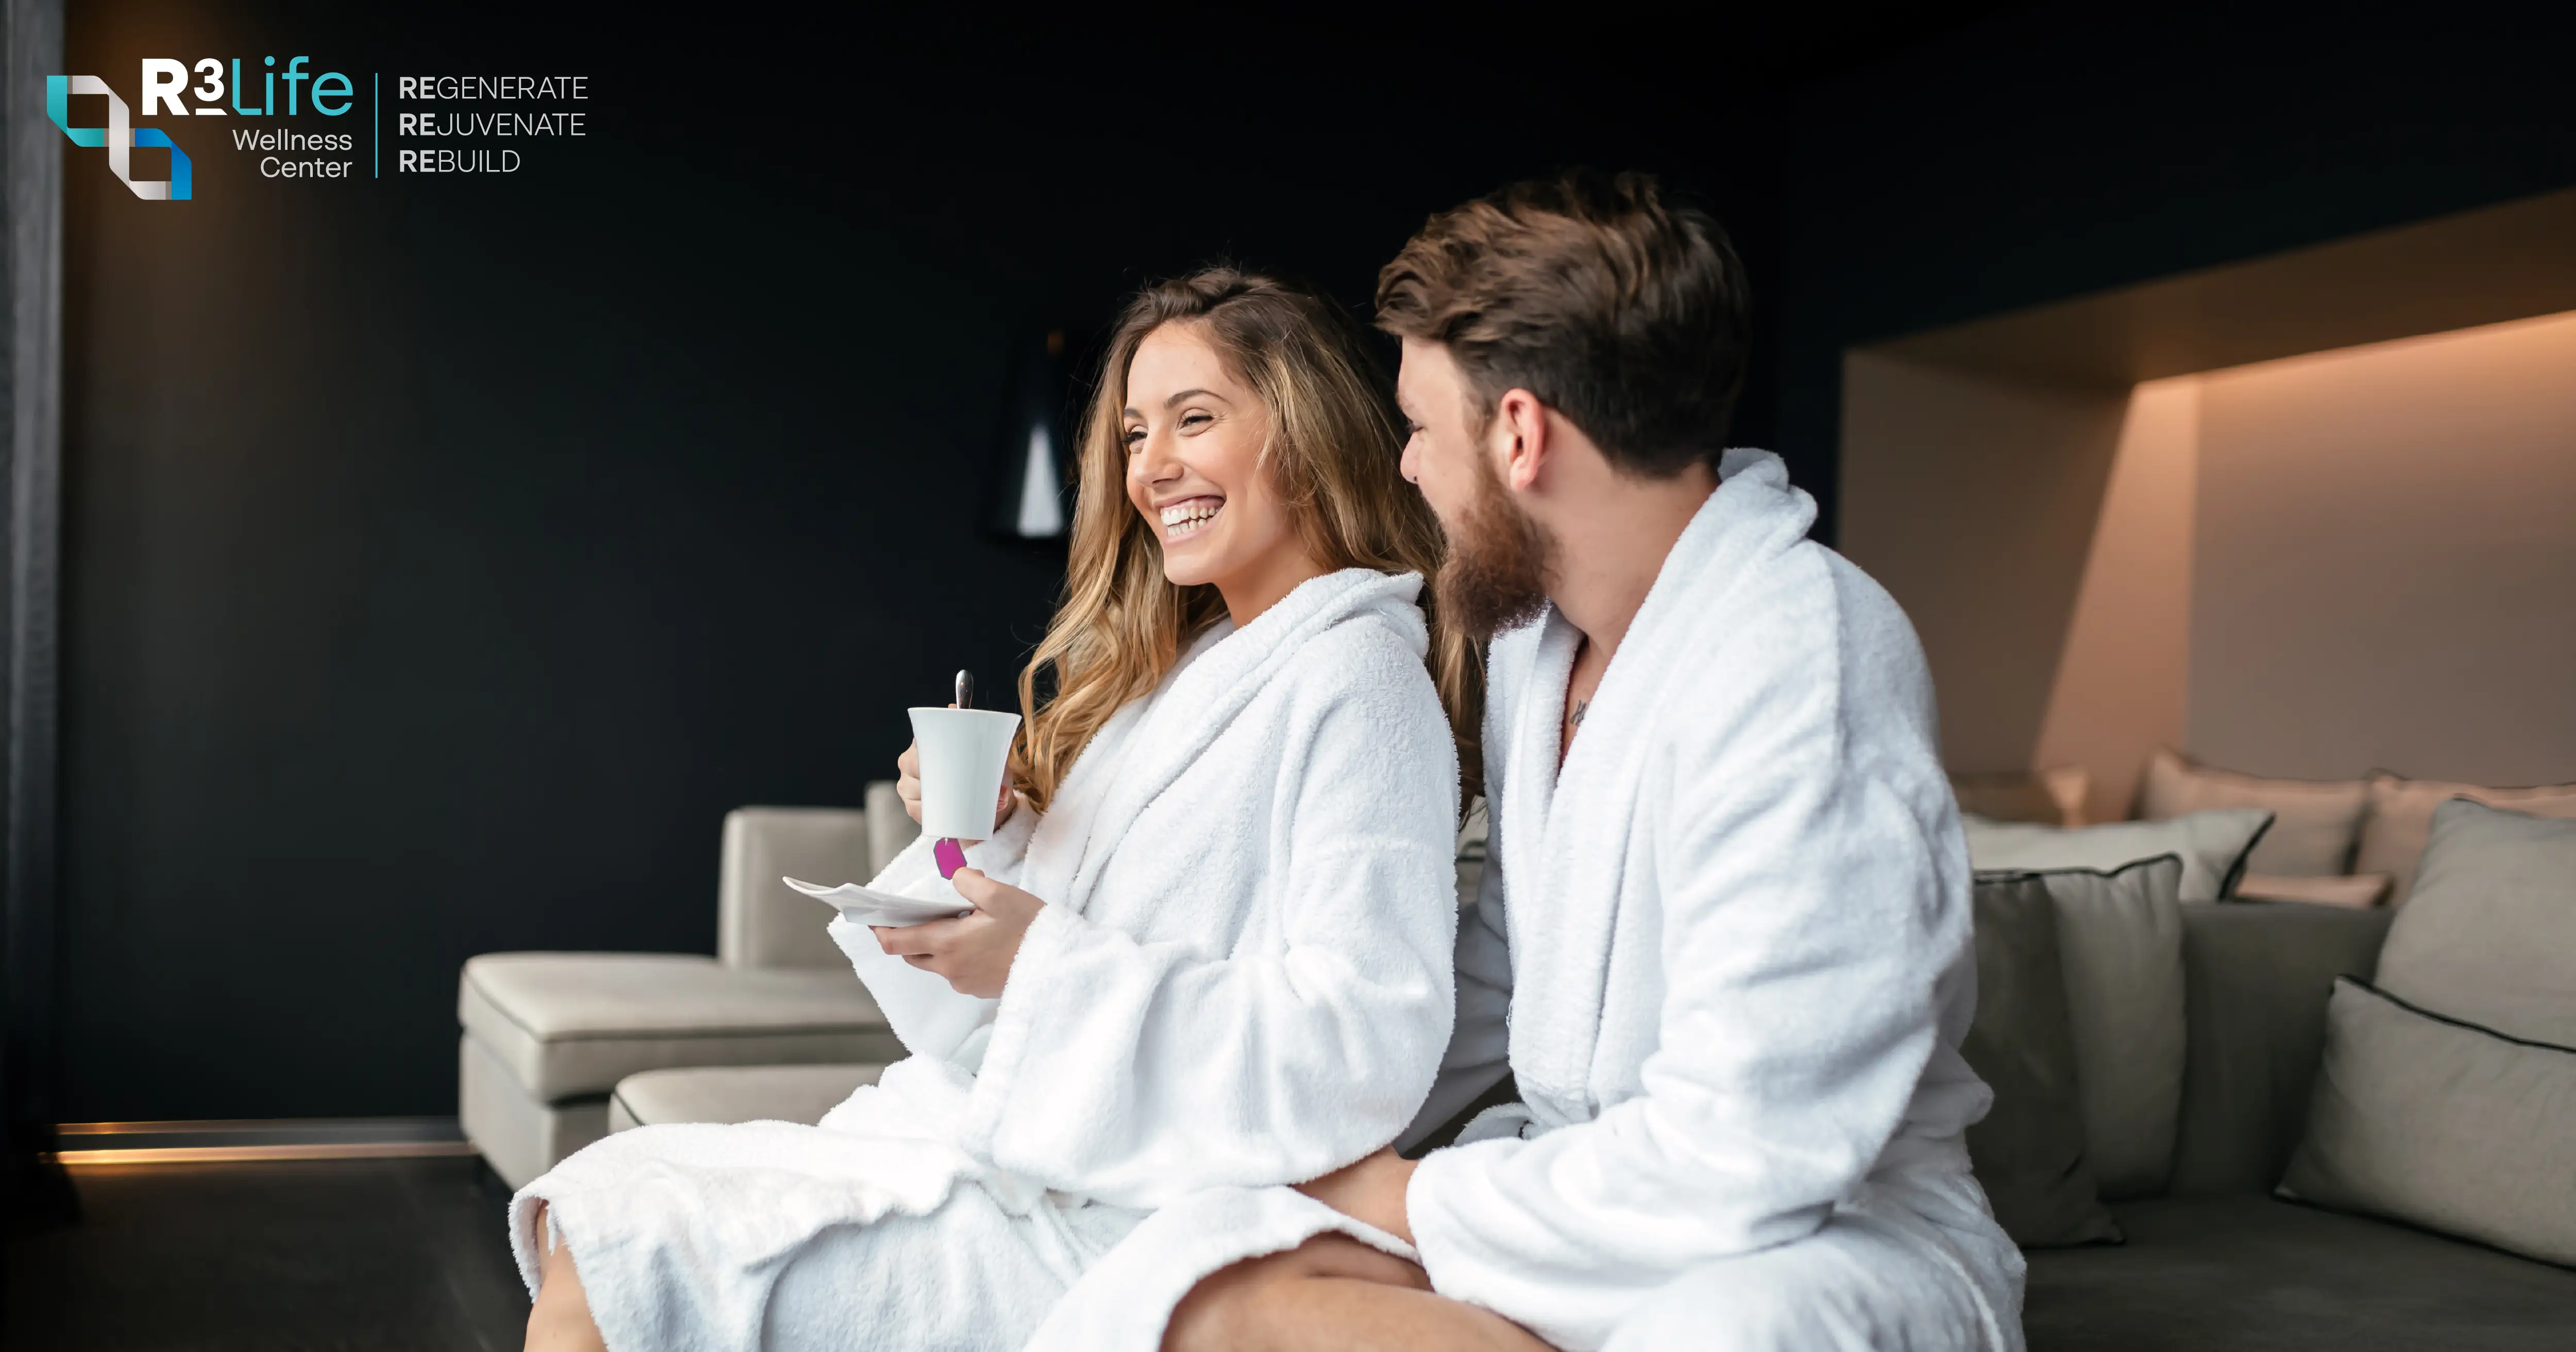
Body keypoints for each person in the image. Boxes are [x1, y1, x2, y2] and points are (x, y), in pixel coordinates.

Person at [512, 268, 1481, 1352]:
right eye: (1133, 434)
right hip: (1008, 1150)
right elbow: (1077, 926)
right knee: (589, 1212)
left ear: (1303, 432)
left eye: (1194, 419)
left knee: (621, 1254)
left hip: (1126, 1212)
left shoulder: (1359, 677)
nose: (1151, 466)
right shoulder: (1184, 673)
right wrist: (987, 837)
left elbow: (1361, 1044)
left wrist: (1038, 964)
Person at [1142, 174, 2025, 1351]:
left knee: (1721, 1334)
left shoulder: (1804, 663)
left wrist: (1403, 1196)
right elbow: (1502, 968)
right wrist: (1287, 1129)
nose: (1407, 469)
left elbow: (1749, 1152)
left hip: (1819, 1239)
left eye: (1419, 427)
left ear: (1519, 435)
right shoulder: (1532, 647)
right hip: (1584, 1186)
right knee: (1211, 1279)